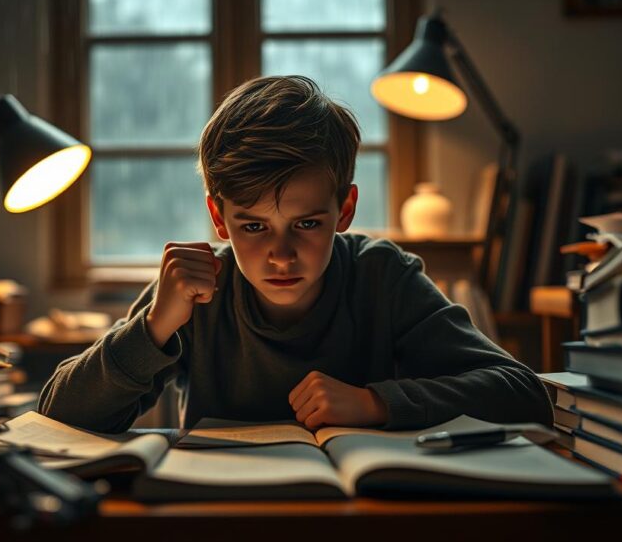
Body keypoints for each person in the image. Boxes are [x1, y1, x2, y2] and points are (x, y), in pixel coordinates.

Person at [38, 75, 552, 433]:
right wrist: (153, 328)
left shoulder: (381, 276)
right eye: (254, 226)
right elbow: (56, 416)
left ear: (345, 209)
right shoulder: (194, 287)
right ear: (219, 219)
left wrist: (377, 404)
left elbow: (523, 394)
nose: (281, 256)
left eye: (306, 224)